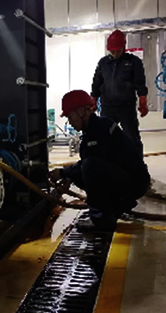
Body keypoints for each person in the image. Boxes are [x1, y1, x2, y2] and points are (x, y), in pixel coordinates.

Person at [50, 90, 151, 231]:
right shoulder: (96, 127)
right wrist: (69, 176)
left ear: (81, 111)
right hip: (127, 179)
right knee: (81, 172)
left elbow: (92, 164)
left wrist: (62, 172)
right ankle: (117, 206)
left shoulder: (99, 129)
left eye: (70, 116)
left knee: (89, 166)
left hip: (135, 183)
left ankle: (101, 219)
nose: (70, 122)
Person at [91, 29, 149, 155]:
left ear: (123, 47)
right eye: (111, 50)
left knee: (132, 138)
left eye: (116, 50)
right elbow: (97, 83)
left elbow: (140, 82)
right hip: (107, 107)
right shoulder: (103, 63)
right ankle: (107, 164)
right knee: (104, 138)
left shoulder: (133, 62)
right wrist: (93, 100)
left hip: (126, 108)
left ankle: (137, 165)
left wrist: (143, 101)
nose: (113, 52)